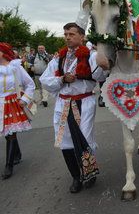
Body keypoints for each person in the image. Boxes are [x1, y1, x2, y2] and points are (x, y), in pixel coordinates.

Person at [40, 22, 108, 193]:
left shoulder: (91, 56)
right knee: (65, 141)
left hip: (83, 102)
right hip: (63, 103)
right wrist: (62, 79)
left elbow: (99, 75)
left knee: (84, 138)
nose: (68, 37)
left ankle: (89, 172)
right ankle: (75, 176)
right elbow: (45, 80)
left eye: (71, 34)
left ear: (82, 36)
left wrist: (103, 62)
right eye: (66, 34)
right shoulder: (59, 58)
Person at [0, 42, 35, 179]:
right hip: (0, 103)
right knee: (8, 132)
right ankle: (17, 153)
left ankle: (8, 165)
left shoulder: (15, 67)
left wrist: (25, 99)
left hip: (13, 102)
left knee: (10, 133)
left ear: (3, 52)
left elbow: (30, 84)